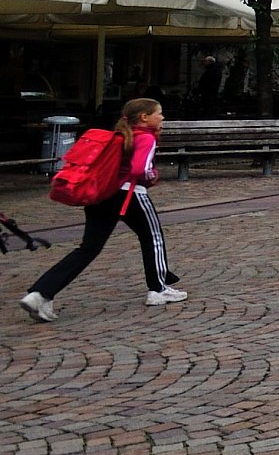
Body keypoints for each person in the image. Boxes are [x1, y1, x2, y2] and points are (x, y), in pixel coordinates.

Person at [20, 98, 183, 322]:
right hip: (131, 195)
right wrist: (153, 176)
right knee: (152, 237)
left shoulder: (120, 135)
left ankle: (40, 293)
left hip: (102, 195)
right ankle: (158, 288)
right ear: (145, 118)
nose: (162, 118)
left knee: (88, 248)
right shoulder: (145, 137)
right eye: (159, 113)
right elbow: (140, 169)